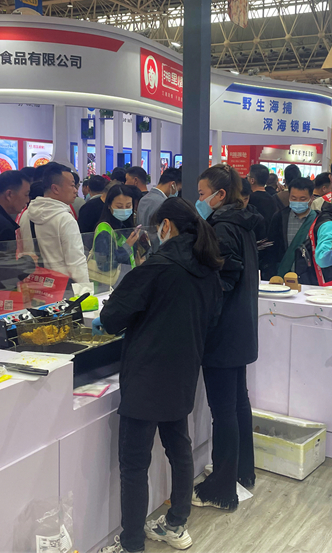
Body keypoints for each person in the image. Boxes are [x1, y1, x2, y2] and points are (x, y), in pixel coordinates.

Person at [96, 198, 222, 553]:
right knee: (179, 449)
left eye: (157, 228)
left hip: (146, 374)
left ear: (166, 226)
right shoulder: (207, 265)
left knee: (134, 464)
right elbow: (212, 318)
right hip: (183, 370)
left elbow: (111, 318)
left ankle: (132, 544)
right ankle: (176, 523)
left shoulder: (157, 266)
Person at [192, 164, 260, 510]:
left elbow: (222, 282)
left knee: (224, 410)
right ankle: (240, 472)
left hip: (223, 332)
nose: (198, 200)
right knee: (237, 404)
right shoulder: (241, 223)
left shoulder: (221, 228)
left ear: (219, 195)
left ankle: (221, 489)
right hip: (241, 327)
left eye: (201, 194)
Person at [18, 162, 91, 288]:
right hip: (60, 288)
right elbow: (76, 262)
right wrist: (85, 290)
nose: (75, 190)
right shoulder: (65, 219)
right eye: (72, 185)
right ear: (55, 188)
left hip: (33, 285)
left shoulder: (26, 214)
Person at [262, 177, 317, 280]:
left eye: (303, 199)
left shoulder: (318, 220)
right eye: (294, 198)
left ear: (311, 198)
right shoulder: (279, 217)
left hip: (309, 278)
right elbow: (271, 248)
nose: (298, 202)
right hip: (282, 275)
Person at [89, 185, 144, 287]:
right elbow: (104, 264)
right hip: (109, 286)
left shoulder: (125, 226)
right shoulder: (104, 230)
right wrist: (127, 246)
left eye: (128, 206)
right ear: (109, 205)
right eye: (119, 206)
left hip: (127, 282)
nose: (124, 210)